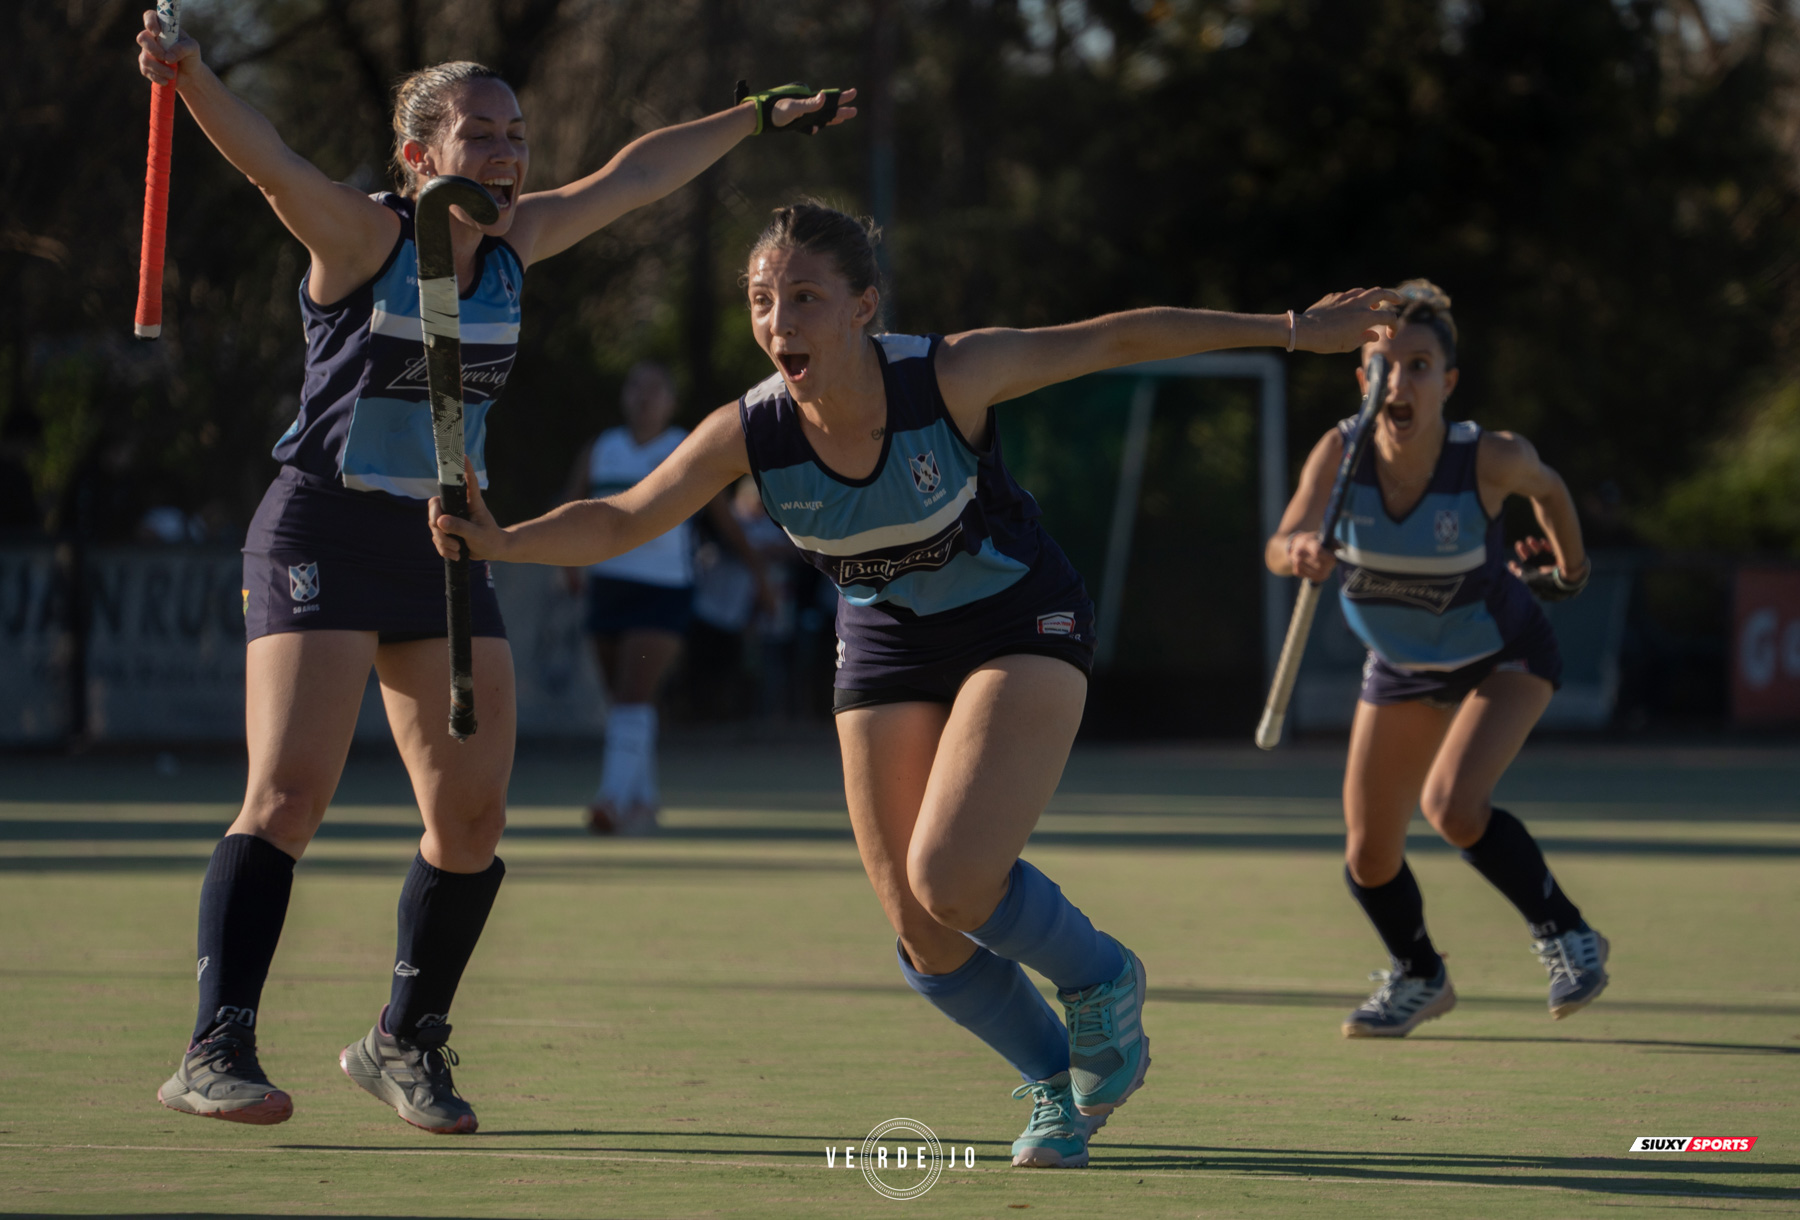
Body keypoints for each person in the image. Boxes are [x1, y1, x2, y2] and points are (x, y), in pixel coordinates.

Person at [429, 200, 1397, 1166]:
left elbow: (1115, 336)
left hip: (1017, 618)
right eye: (764, 300)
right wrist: (504, 540)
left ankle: (1104, 977)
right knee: (916, 921)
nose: (780, 322)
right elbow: (623, 517)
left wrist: (1292, 330)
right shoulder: (751, 430)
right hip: (886, 639)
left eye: (805, 297)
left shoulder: (949, 374)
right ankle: (1057, 1082)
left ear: (864, 306)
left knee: (953, 878)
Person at [136, 12, 854, 1133]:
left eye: (517, 134)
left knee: (470, 821)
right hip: (322, 526)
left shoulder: (519, 249)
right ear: (421, 156)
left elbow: (642, 171)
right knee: (287, 795)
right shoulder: (361, 236)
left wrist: (760, 116)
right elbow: (269, 160)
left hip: (442, 540)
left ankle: (402, 1039)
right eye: (481, 134)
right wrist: (191, 77)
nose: (510, 155)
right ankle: (214, 1043)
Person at [1265, 281, 1609, 1039]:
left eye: (1419, 365)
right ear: (1363, 380)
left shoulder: (1487, 458)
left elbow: (1549, 490)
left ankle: (1567, 932)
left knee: (1453, 807)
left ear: (1446, 382)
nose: (1400, 381)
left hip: (1503, 655)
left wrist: (1570, 570)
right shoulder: (1338, 455)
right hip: (1399, 668)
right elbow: (1278, 542)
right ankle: (1421, 974)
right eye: (1383, 365)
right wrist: (1299, 551)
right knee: (1368, 852)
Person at [565, 361, 767, 835]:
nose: (644, 398)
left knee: (633, 696)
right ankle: (645, 801)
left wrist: (760, 576)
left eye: (655, 390)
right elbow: (570, 507)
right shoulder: (601, 449)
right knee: (624, 700)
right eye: (636, 387)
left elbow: (723, 521)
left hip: (663, 590)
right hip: (608, 586)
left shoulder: (683, 446)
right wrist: (566, 562)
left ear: (671, 401)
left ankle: (611, 802)